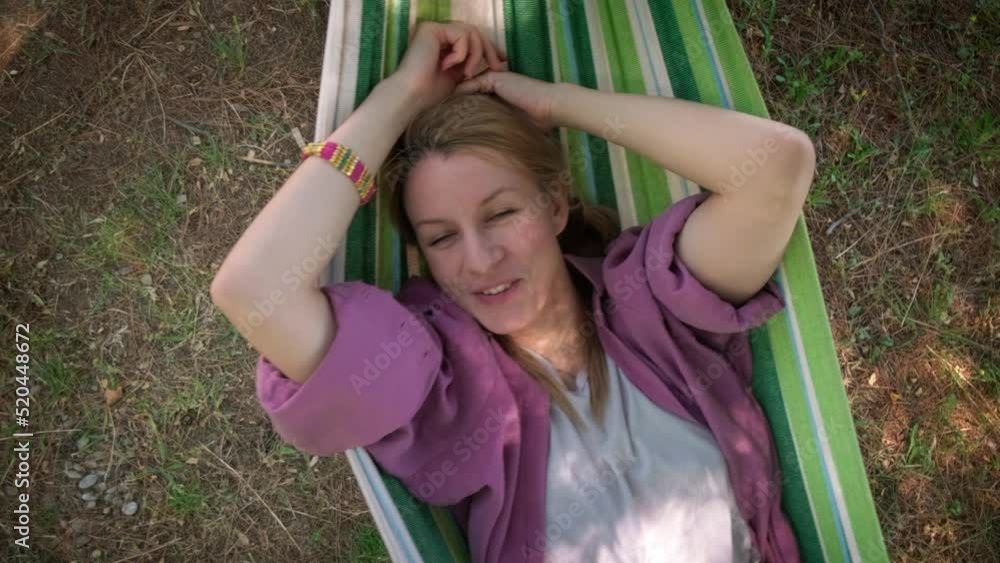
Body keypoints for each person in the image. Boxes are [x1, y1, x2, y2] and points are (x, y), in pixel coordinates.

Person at [211, 19, 814, 563]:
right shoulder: (437, 383)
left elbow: (775, 167)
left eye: (500, 215)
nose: (479, 260)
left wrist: (558, 104)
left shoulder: (653, 305)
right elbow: (254, 289)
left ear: (553, 205)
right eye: (443, 237)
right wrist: (402, 97)